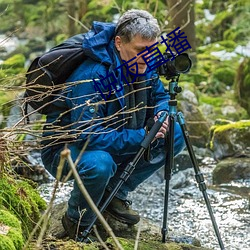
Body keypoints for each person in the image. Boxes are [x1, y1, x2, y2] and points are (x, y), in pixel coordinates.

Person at [41, 9, 185, 241]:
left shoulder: (143, 63)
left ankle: (115, 193)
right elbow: (87, 135)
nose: (147, 57)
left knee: (175, 132)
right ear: (119, 42)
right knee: (100, 164)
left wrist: (161, 114)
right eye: (140, 50)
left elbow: (159, 96)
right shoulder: (92, 75)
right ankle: (76, 221)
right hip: (67, 150)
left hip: (117, 136)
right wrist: (142, 135)